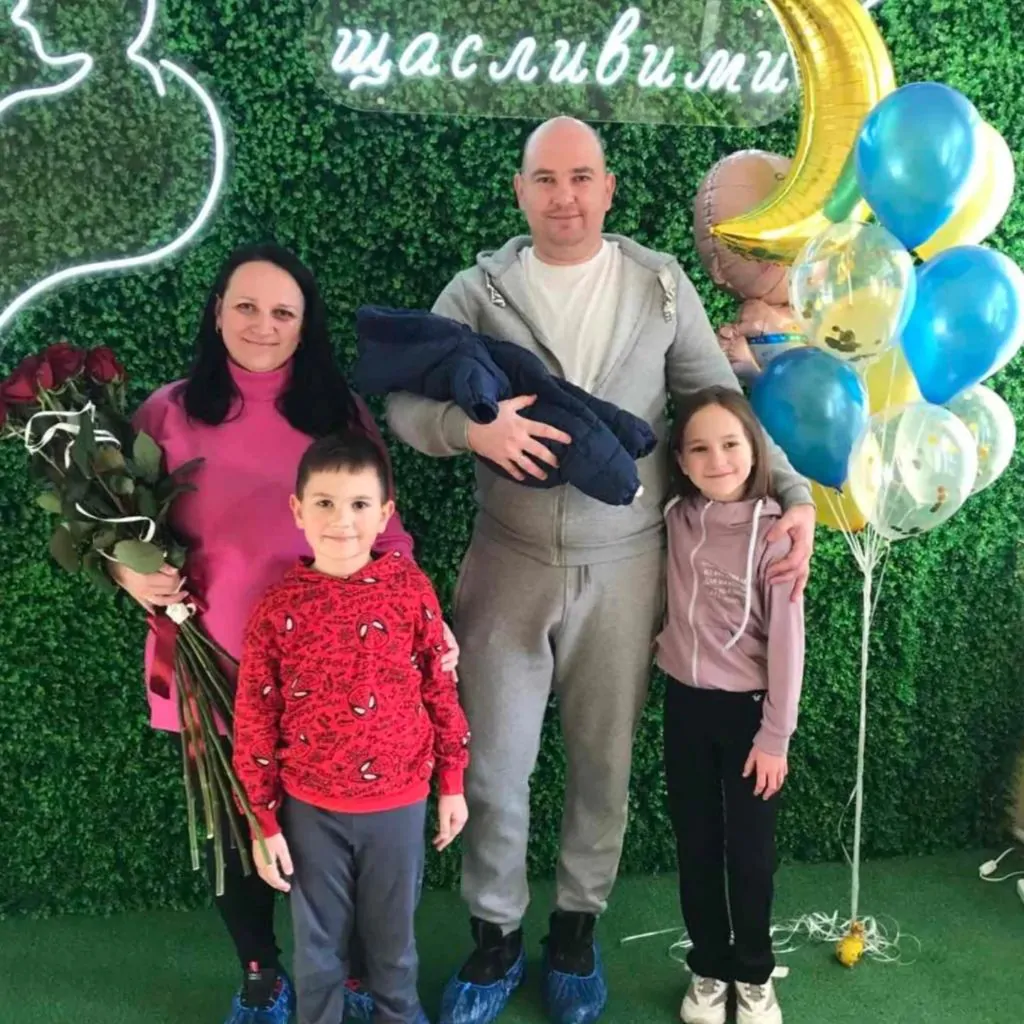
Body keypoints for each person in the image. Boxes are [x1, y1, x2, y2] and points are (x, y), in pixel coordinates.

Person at [384, 116, 816, 1024]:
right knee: (493, 767)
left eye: (581, 177)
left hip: (627, 569)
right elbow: (404, 404)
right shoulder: (478, 291)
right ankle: (495, 937)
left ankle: (576, 933)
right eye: (545, 179)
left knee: (602, 764)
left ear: (608, 188)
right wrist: (470, 431)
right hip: (506, 562)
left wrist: (793, 494)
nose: (564, 197)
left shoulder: (659, 285)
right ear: (520, 190)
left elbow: (720, 401)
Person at [110, 242, 458, 1024]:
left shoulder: (338, 413)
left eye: (282, 312)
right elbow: (123, 527)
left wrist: (428, 624)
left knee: (339, 832)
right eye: (245, 306)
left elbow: (387, 533)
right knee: (239, 831)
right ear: (217, 314)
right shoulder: (164, 413)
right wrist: (125, 573)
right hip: (211, 659)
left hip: (334, 673)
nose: (262, 325)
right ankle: (263, 975)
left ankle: (356, 973)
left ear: (305, 326)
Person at [233, 433, 471, 1024]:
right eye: (325, 503)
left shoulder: (410, 591)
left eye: (360, 504)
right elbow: (255, 716)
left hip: (399, 803)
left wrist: (452, 782)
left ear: (385, 513)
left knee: (393, 948)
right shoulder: (276, 608)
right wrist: (263, 820)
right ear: (298, 510)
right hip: (311, 808)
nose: (342, 520)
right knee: (317, 955)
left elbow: (439, 687)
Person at [657, 387, 804, 1024]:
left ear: (754, 449)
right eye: (699, 449)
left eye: (730, 444)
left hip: (751, 719)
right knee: (696, 846)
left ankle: (754, 973)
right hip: (685, 709)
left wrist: (776, 736)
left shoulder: (777, 534)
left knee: (750, 857)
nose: (717, 460)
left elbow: (788, 645)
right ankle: (710, 968)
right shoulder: (673, 518)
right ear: (681, 461)